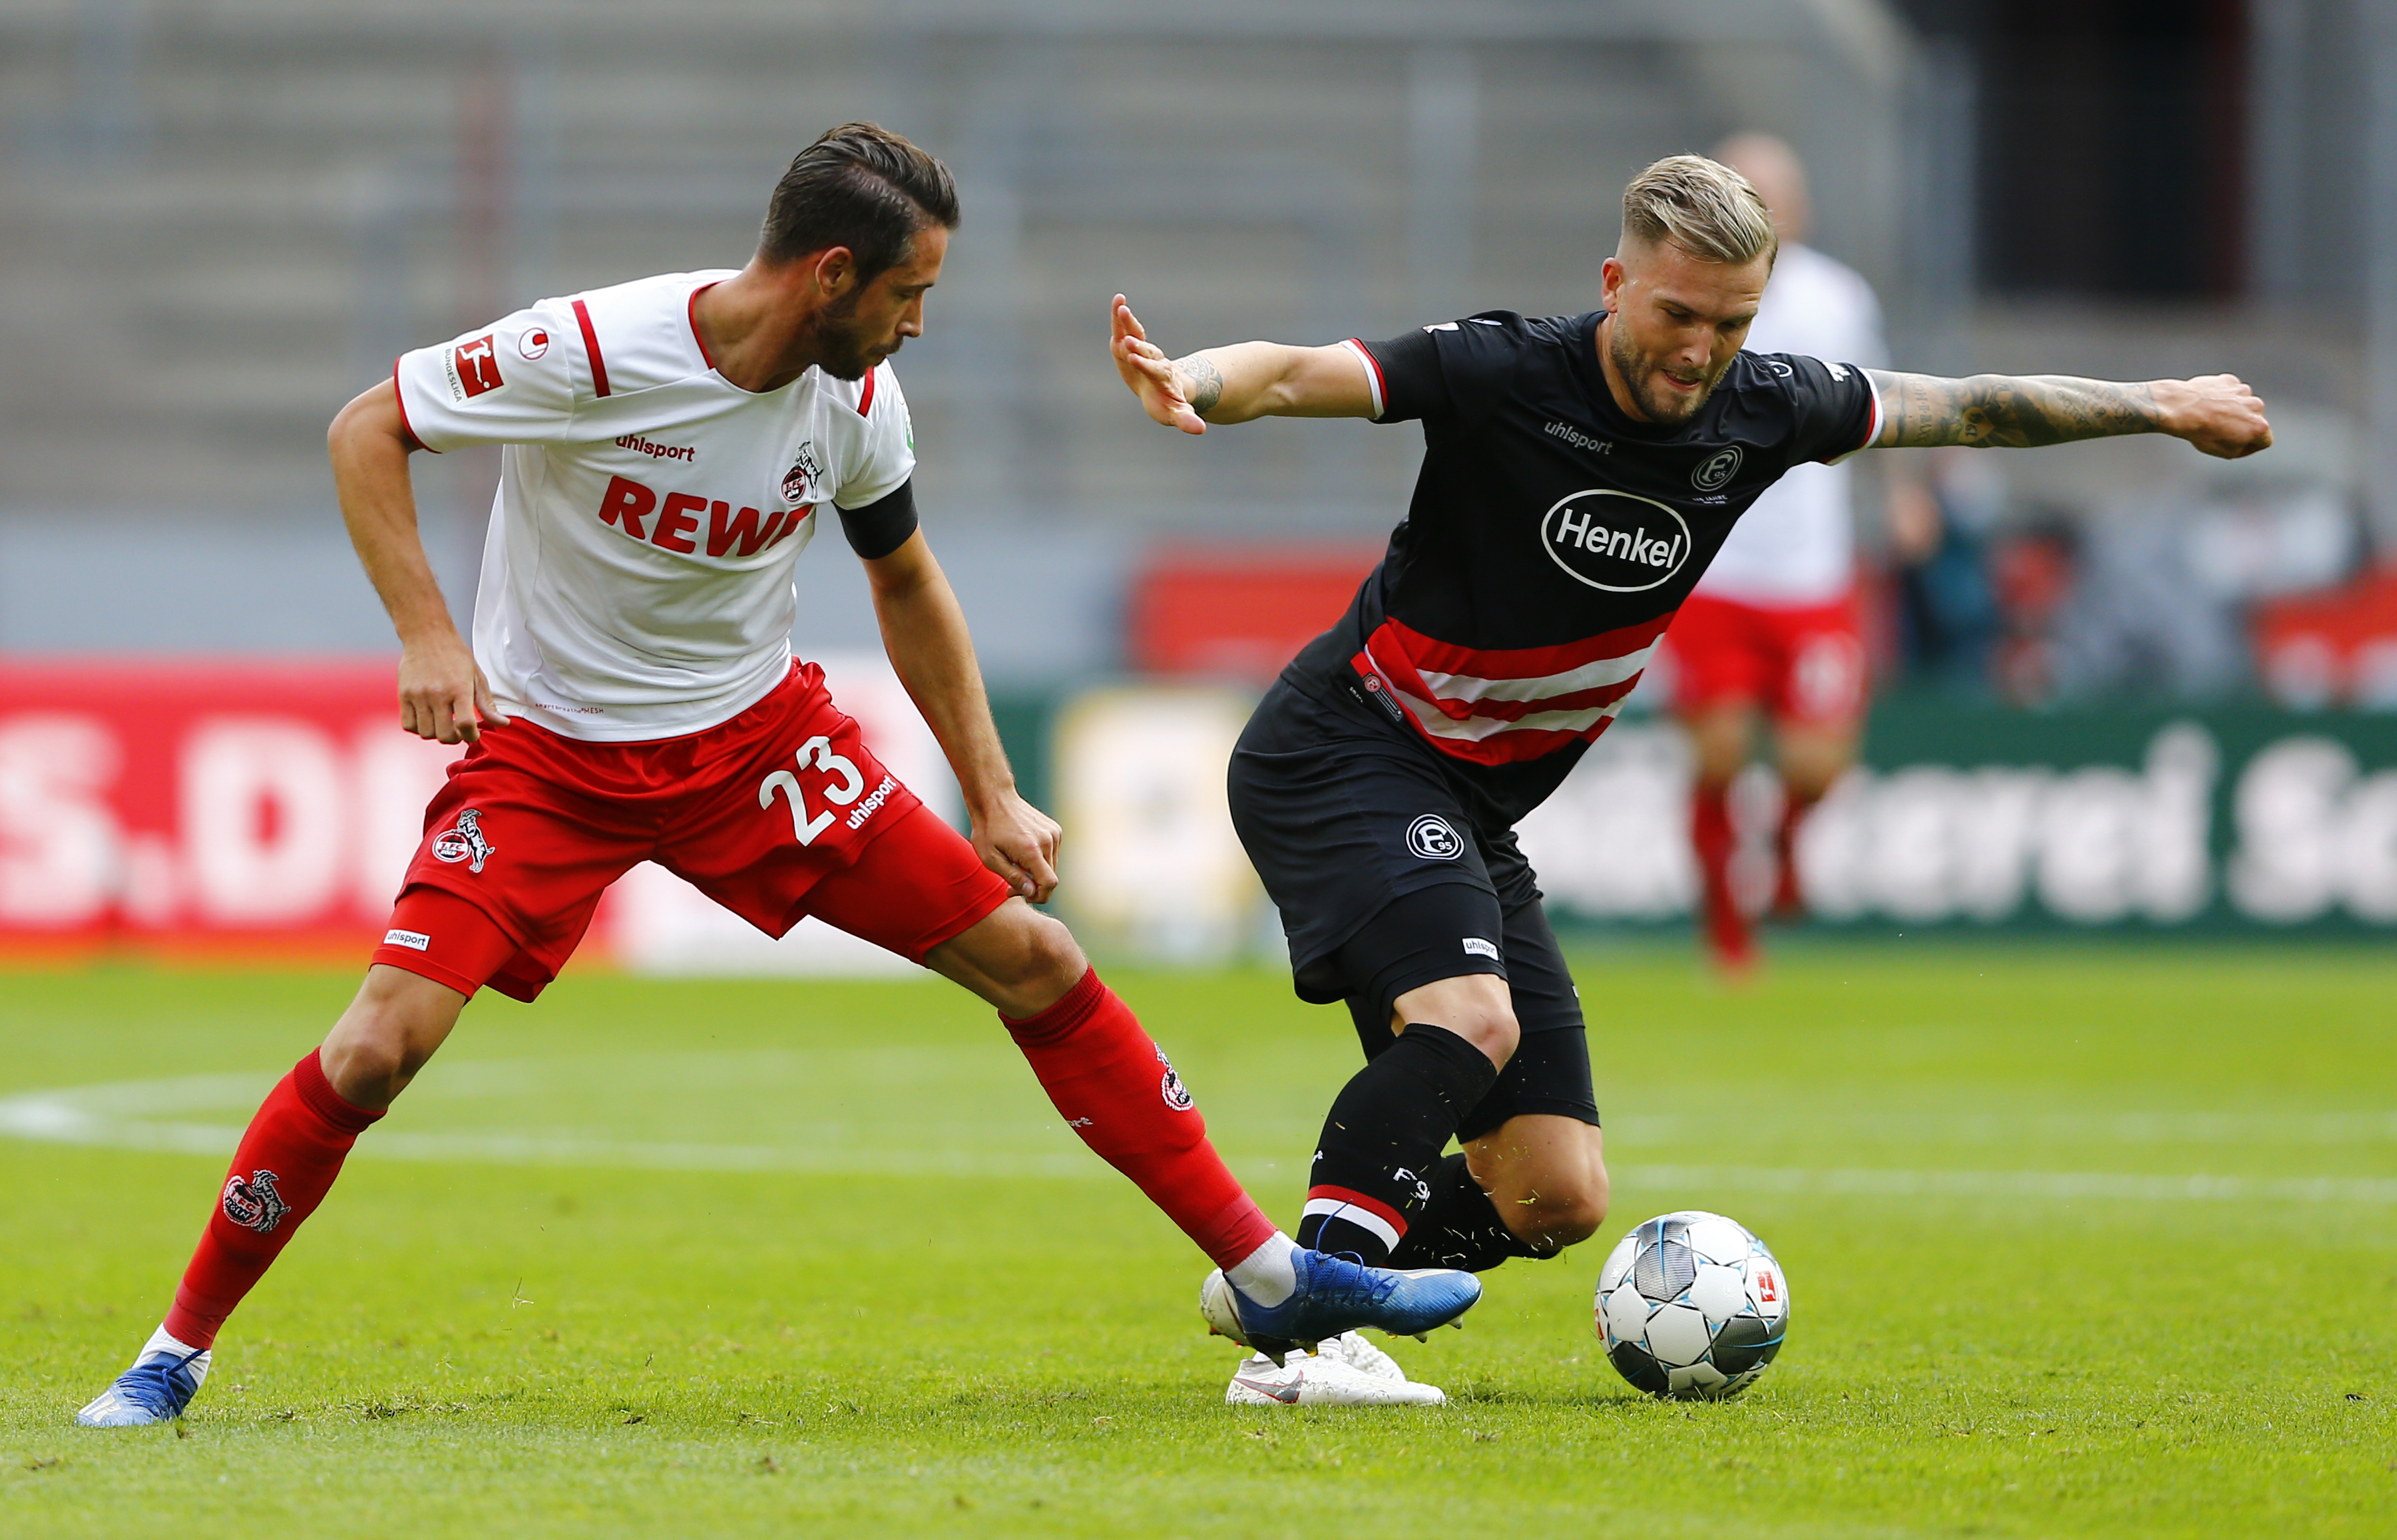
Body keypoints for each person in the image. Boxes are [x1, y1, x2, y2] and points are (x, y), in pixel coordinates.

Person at [75, 123, 1476, 1429]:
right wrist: (430, 635)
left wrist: (987, 787)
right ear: (830, 273)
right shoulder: (592, 348)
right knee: (377, 1048)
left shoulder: (857, 396)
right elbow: (363, 427)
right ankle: (173, 1351)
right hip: (549, 759)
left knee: (1038, 960)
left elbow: (907, 577)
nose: (917, 323)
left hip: (758, 749)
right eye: (908, 291)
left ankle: (1273, 1278)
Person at [1111, 154, 2271, 1402]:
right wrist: (1198, 382)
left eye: (1732, 324)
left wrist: (2159, 401)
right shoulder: (1505, 369)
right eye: (1676, 314)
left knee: (1553, 1192)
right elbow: (1300, 372)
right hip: (1350, 744)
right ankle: (1309, 1337)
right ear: (1616, 284)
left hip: (1471, 806)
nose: (1699, 351)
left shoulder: (1765, 408)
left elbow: (1971, 406)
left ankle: (1278, 1280)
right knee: (1469, 1020)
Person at [1663, 133, 1901, 970]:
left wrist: (1901, 494)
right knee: (1721, 753)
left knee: (1816, 766)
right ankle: (1726, 931)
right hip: (1715, 568)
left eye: (1775, 193)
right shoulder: (1687, 294)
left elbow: (1882, 403)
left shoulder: (1840, 297)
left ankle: (1790, 854)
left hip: (1812, 573)